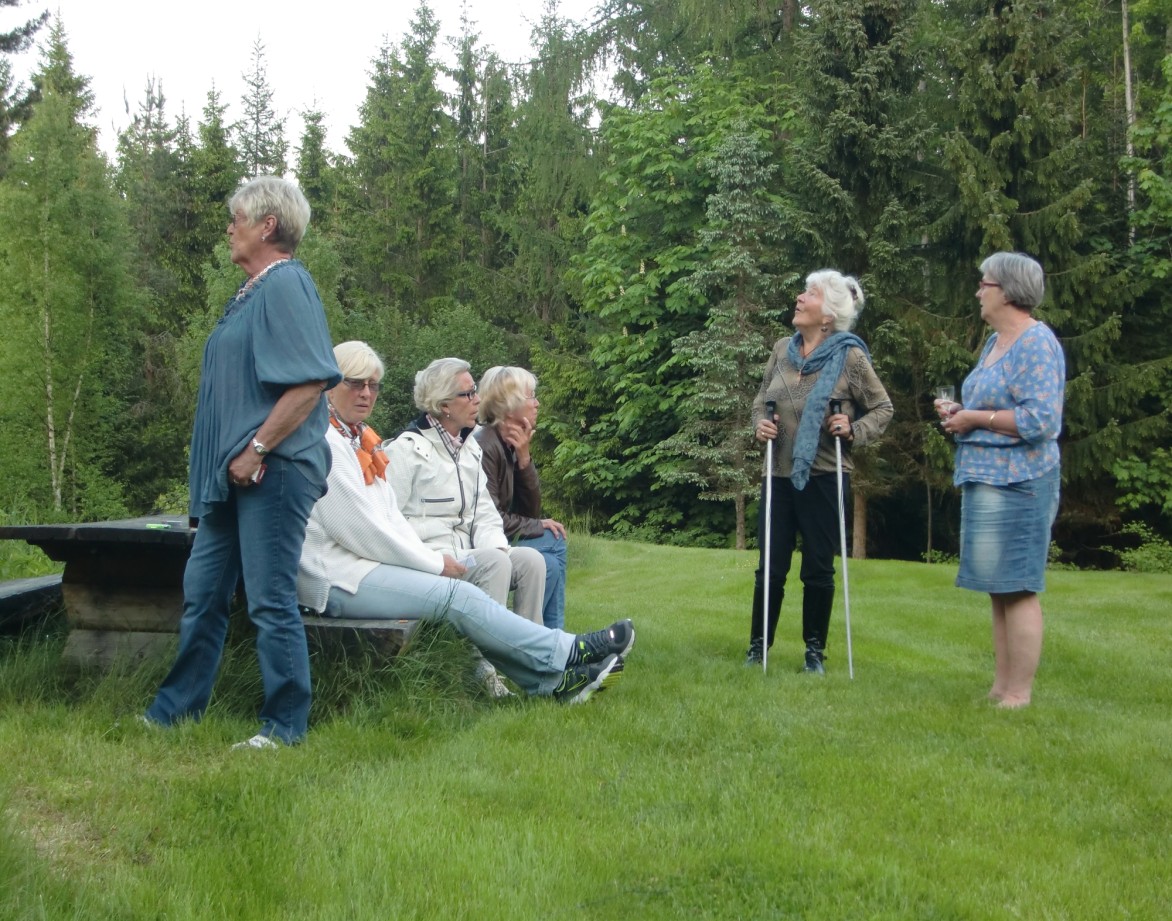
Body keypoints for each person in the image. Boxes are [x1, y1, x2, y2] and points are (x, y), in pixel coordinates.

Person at [298, 341, 633, 703]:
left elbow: (391, 517)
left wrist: (491, 550)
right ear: (330, 384)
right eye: (355, 383)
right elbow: (364, 531)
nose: (366, 393)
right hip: (335, 577)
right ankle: (568, 651)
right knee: (459, 598)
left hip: (367, 566)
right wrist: (432, 562)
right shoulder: (327, 442)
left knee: (501, 572)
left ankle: (554, 684)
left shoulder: (360, 439)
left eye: (373, 385)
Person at [145, 176, 341, 748]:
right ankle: (174, 712)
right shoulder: (249, 292)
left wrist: (257, 449)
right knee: (203, 590)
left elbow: (310, 381)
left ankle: (284, 725)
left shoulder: (286, 284)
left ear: (268, 225)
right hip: (234, 475)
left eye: (236, 218)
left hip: (273, 469)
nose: (229, 228)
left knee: (270, 597)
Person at [747, 270, 893, 673]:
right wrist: (760, 424)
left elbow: (882, 408)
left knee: (818, 567)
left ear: (827, 315)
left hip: (827, 475)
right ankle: (758, 647)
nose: (799, 297)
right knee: (770, 567)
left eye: (808, 294)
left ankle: (814, 652)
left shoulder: (850, 357)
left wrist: (854, 428)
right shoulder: (781, 349)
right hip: (777, 474)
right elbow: (761, 402)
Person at [936, 252, 1064, 709]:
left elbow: (1042, 420)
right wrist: (961, 415)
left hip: (1023, 481)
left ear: (1007, 292)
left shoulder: (1035, 343)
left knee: (1020, 586)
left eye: (984, 284)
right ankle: (1000, 687)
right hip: (985, 477)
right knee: (998, 587)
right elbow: (995, 408)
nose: (978, 291)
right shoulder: (994, 343)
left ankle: (1019, 694)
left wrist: (976, 417)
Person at [385, 358, 546, 625]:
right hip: (429, 562)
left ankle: (532, 651)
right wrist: (432, 560)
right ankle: (483, 661)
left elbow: (485, 514)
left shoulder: (469, 448)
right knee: (495, 563)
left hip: (468, 555)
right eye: (468, 393)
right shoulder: (406, 451)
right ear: (444, 404)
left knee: (531, 561)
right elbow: (388, 521)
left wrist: (496, 546)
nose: (478, 399)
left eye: (476, 391)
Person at [474, 366, 568, 630]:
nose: (537, 403)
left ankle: (546, 637)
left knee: (552, 549)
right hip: (482, 542)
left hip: (500, 535)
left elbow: (530, 512)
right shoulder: (485, 446)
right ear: (509, 404)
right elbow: (490, 518)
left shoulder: (510, 443)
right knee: (553, 549)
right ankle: (546, 636)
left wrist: (525, 460)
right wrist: (537, 525)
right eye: (531, 396)